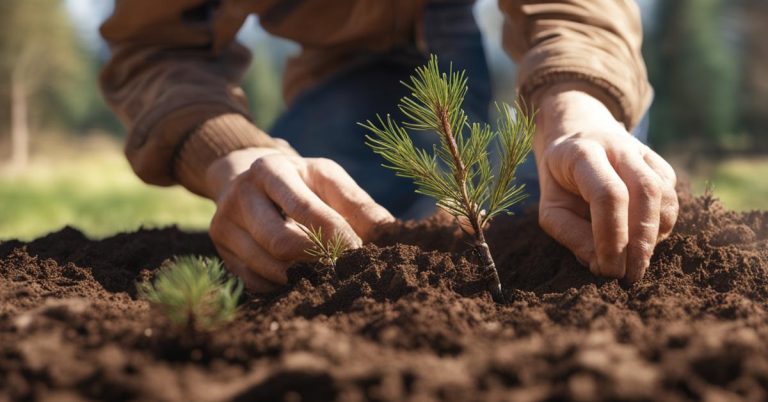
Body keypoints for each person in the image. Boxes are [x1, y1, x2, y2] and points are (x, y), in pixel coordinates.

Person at [100, 0, 679, 292]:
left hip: (504, 67)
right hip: (350, 77)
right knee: (315, 231)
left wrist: (577, 100)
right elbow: (154, 41)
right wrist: (230, 155)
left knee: (594, 189)